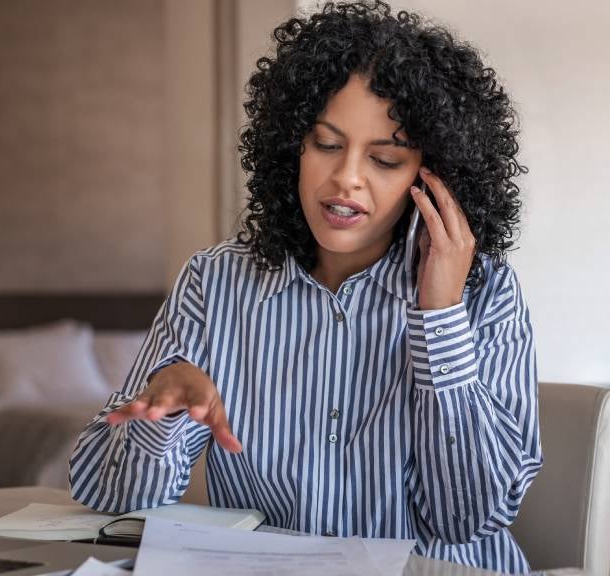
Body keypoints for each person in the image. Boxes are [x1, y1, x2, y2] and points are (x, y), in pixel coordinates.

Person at [68, 1, 541, 572]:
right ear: (291, 144)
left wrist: (439, 317)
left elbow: (468, 518)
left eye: (386, 159)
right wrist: (162, 408)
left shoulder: (487, 293)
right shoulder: (215, 283)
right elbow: (105, 493)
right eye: (326, 144)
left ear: (434, 178)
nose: (346, 177)